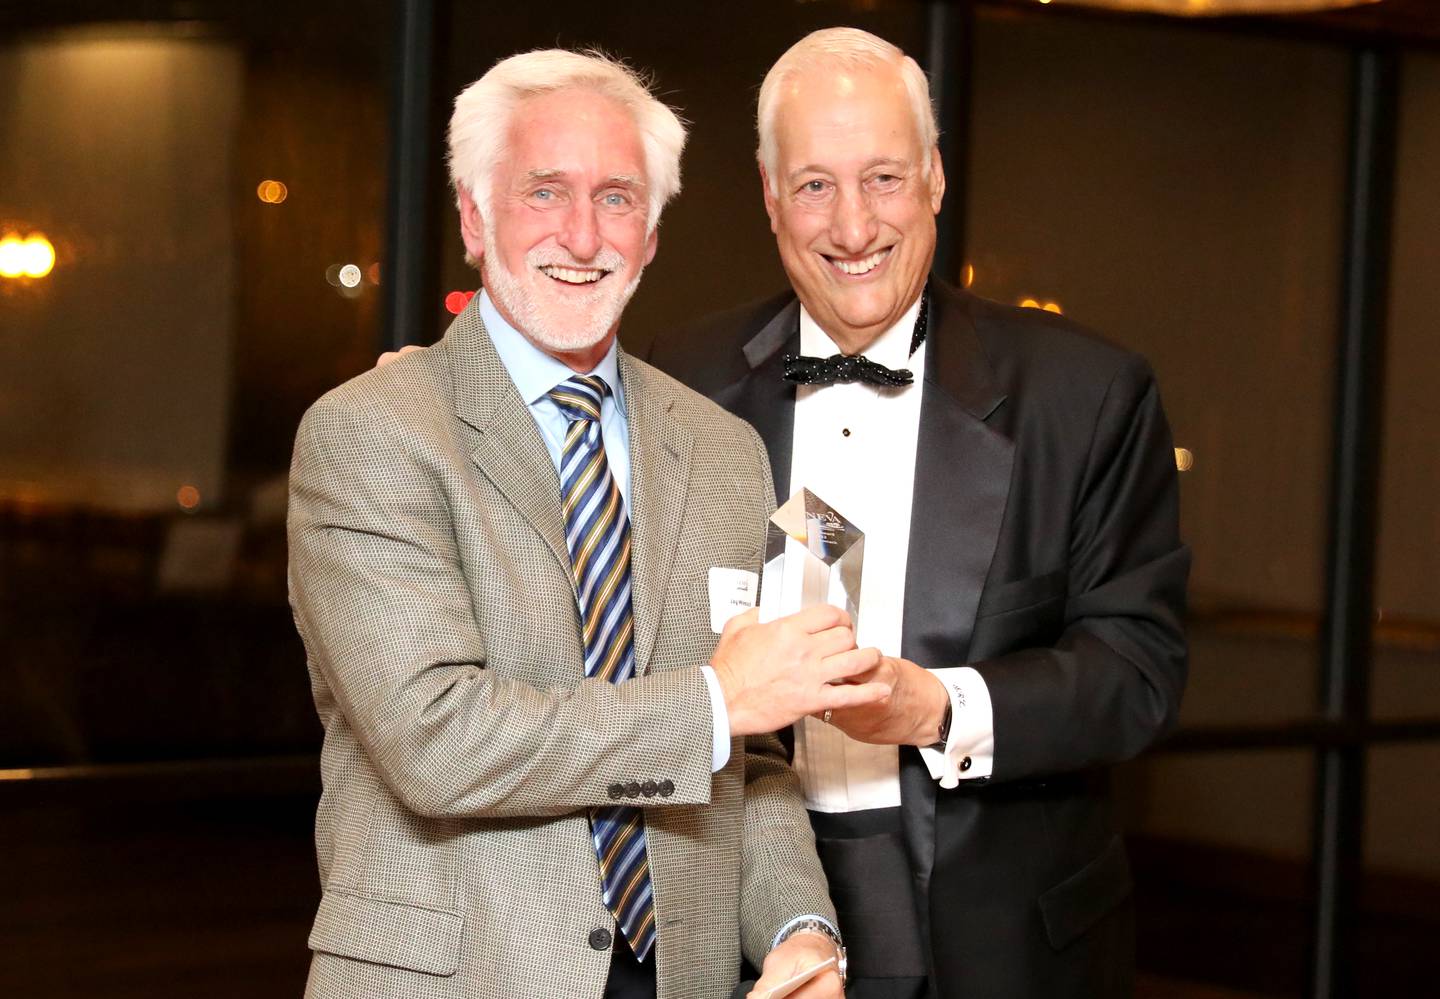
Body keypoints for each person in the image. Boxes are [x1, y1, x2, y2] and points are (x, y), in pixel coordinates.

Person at [288, 48, 891, 999]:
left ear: (651, 234)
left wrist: (798, 927)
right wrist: (712, 703)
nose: (582, 233)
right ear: (474, 217)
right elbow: (435, 739)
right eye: (545, 192)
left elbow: (754, 744)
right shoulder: (371, 431)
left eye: (617, 198)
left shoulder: (723, 450)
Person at [646, 28, 1190, 999]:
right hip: (743, 926)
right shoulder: (676, 388)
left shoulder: (1086, 395)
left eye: (885, 178)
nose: (853, 226)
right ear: (769, 196)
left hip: (1000, 943)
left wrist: (938, 708)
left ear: (937, 178)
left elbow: (1136, 671)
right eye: (814, 185)